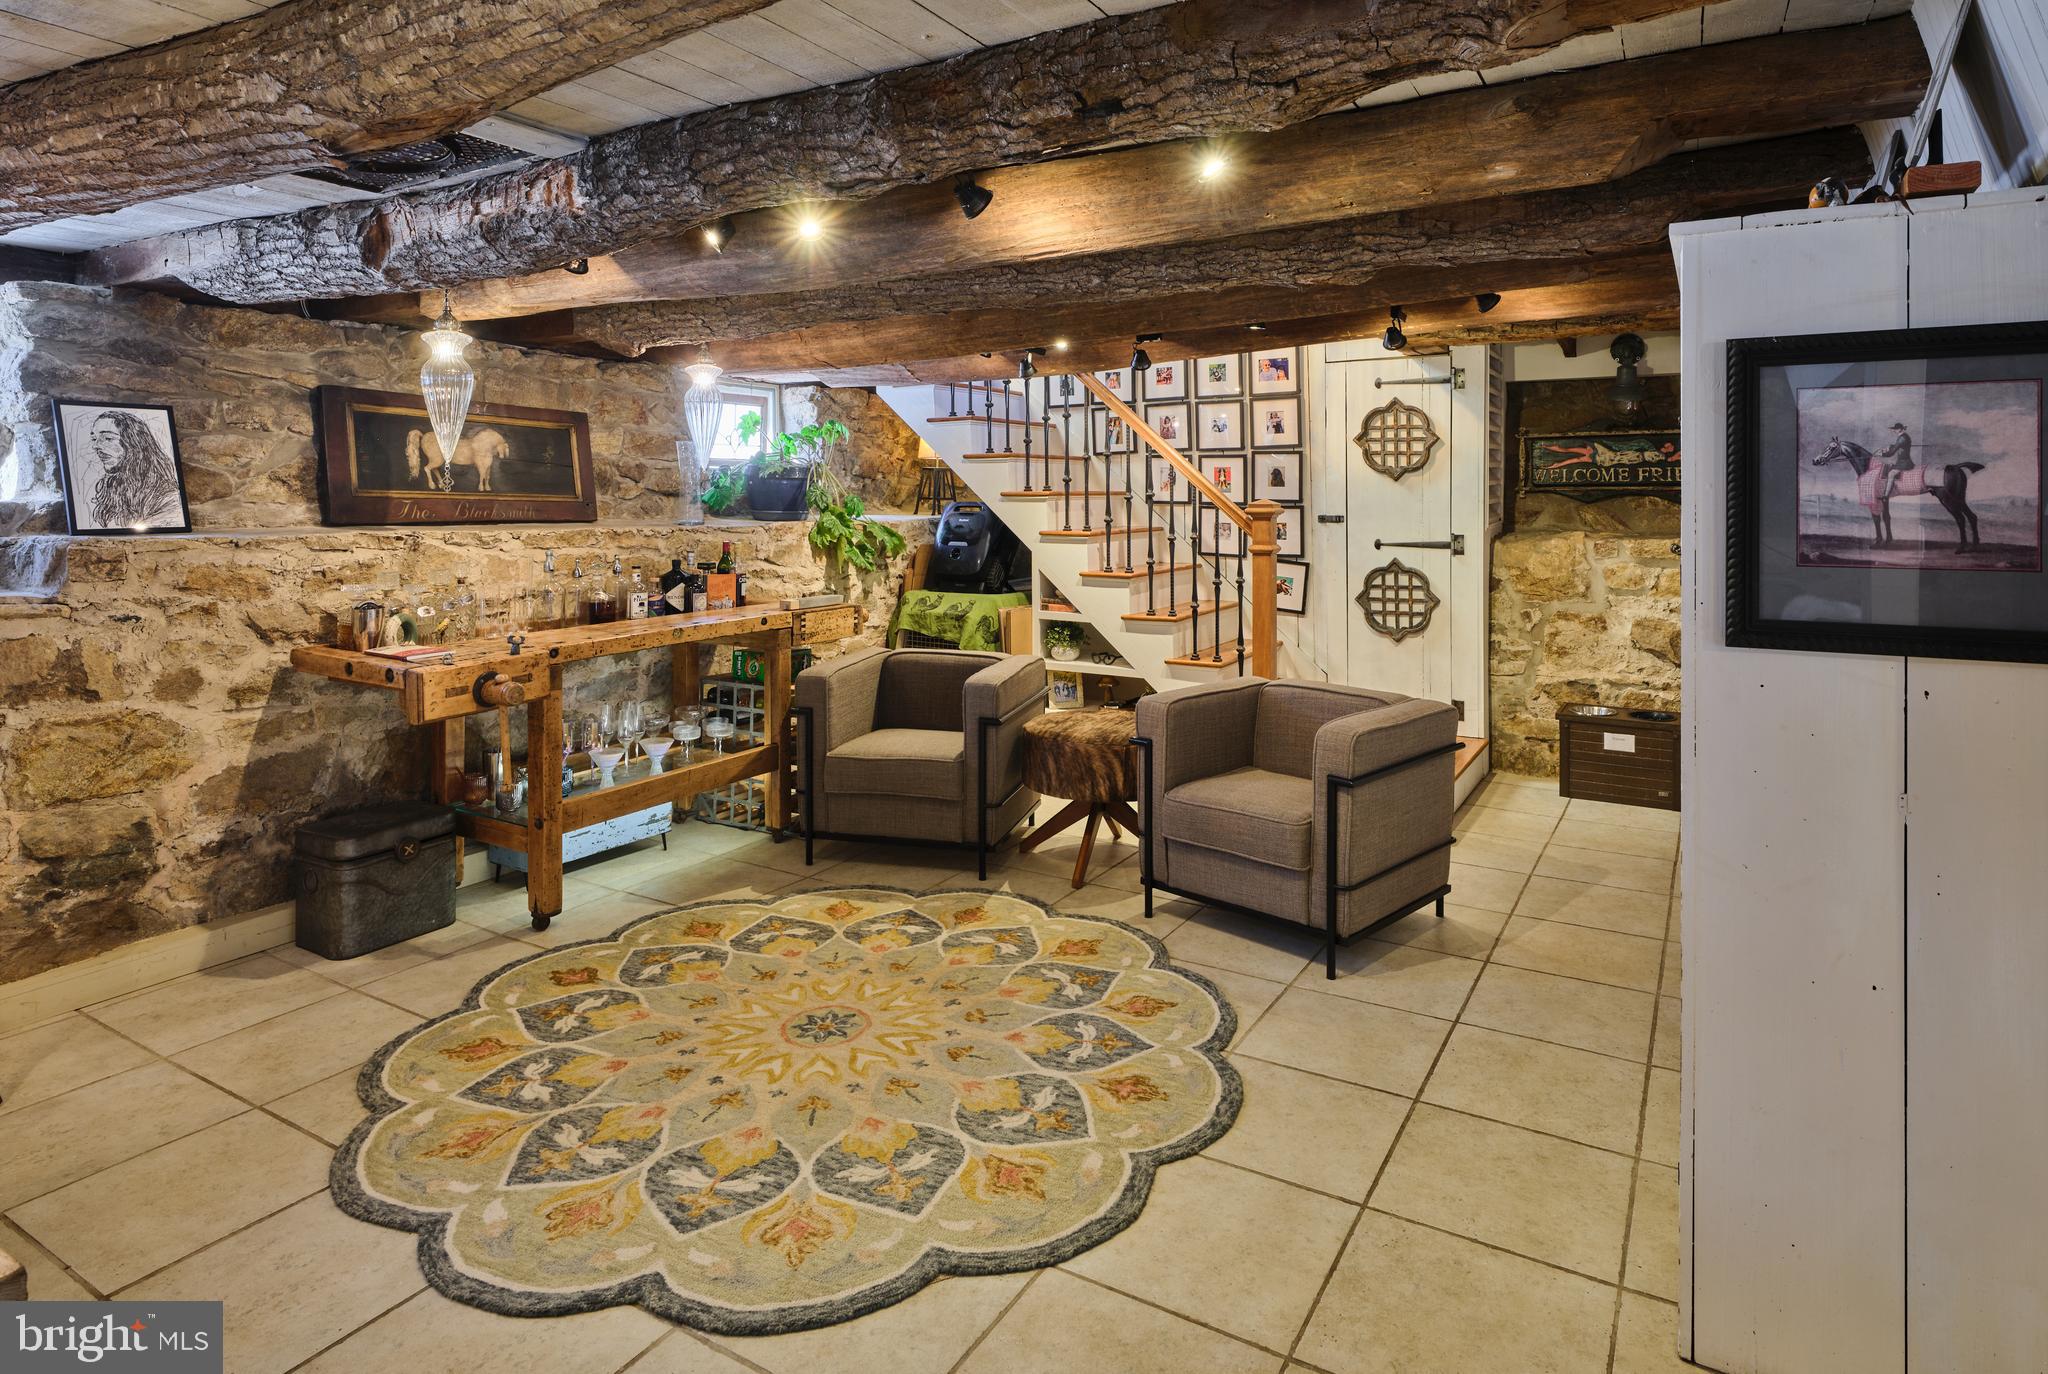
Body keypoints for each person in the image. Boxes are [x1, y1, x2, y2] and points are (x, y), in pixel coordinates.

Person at [85, 410, 183, 528]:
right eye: (94, 439)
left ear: (134, 442)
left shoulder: (167, 497)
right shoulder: (111, 489)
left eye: (108, 438)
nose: (96, 446)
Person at [1877, 421, 1914, 500]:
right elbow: (1896, 446)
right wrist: (1890, 446)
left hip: (1905, 462)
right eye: (1894, 429)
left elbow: (1892, 452)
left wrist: (1882, 454)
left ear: (1900, 429)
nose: (1894, 431)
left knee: (1891, 474)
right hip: (1901, 461)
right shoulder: (1903, 437)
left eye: (1896, 429)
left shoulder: (1902, 438)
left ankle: (1885, 496)